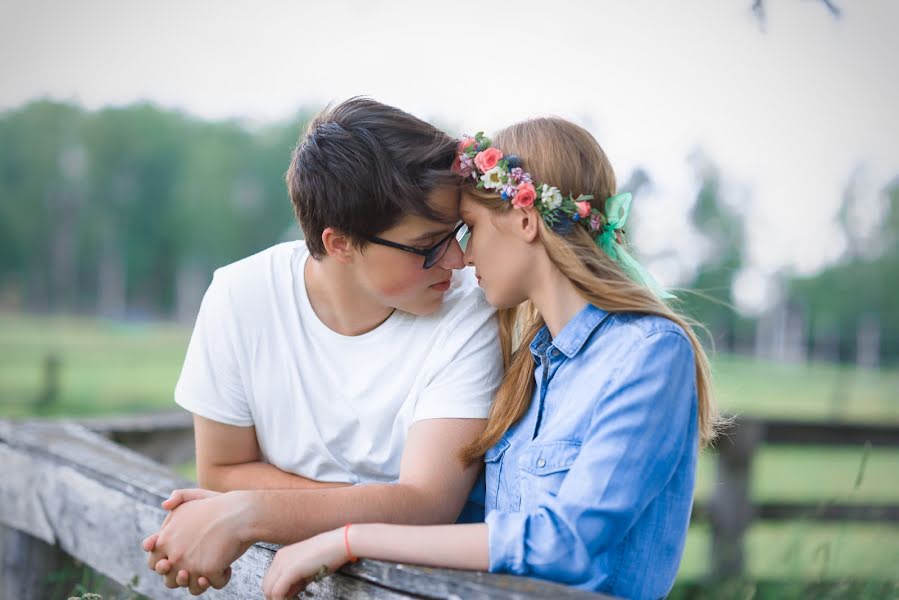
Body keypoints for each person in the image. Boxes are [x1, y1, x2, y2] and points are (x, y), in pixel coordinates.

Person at [261, 118, 719, 600]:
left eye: (471, 228)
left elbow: (568, 545)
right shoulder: (528, 369)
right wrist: (253, 510)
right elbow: (466, 524)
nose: (462, 255)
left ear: (525, 219)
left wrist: (351, 539)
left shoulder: (648, 354)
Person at [141, 97, 503, 595]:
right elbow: (221, 471)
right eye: (429, 245)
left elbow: (428, 505)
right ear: (341, 244)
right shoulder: (240, 296)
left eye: (456, 234)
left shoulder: (468, 311)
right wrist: (376, 504)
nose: (458, 259)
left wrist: (250, 513)